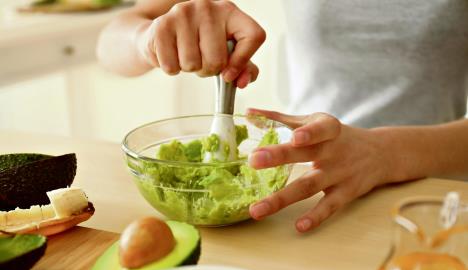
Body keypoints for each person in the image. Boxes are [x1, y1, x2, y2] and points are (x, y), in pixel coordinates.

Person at [98, 0, 468, 233]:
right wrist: (146, 41)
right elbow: (111, 42)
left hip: (433, 194)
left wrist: (384, 153)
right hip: (299, 192)